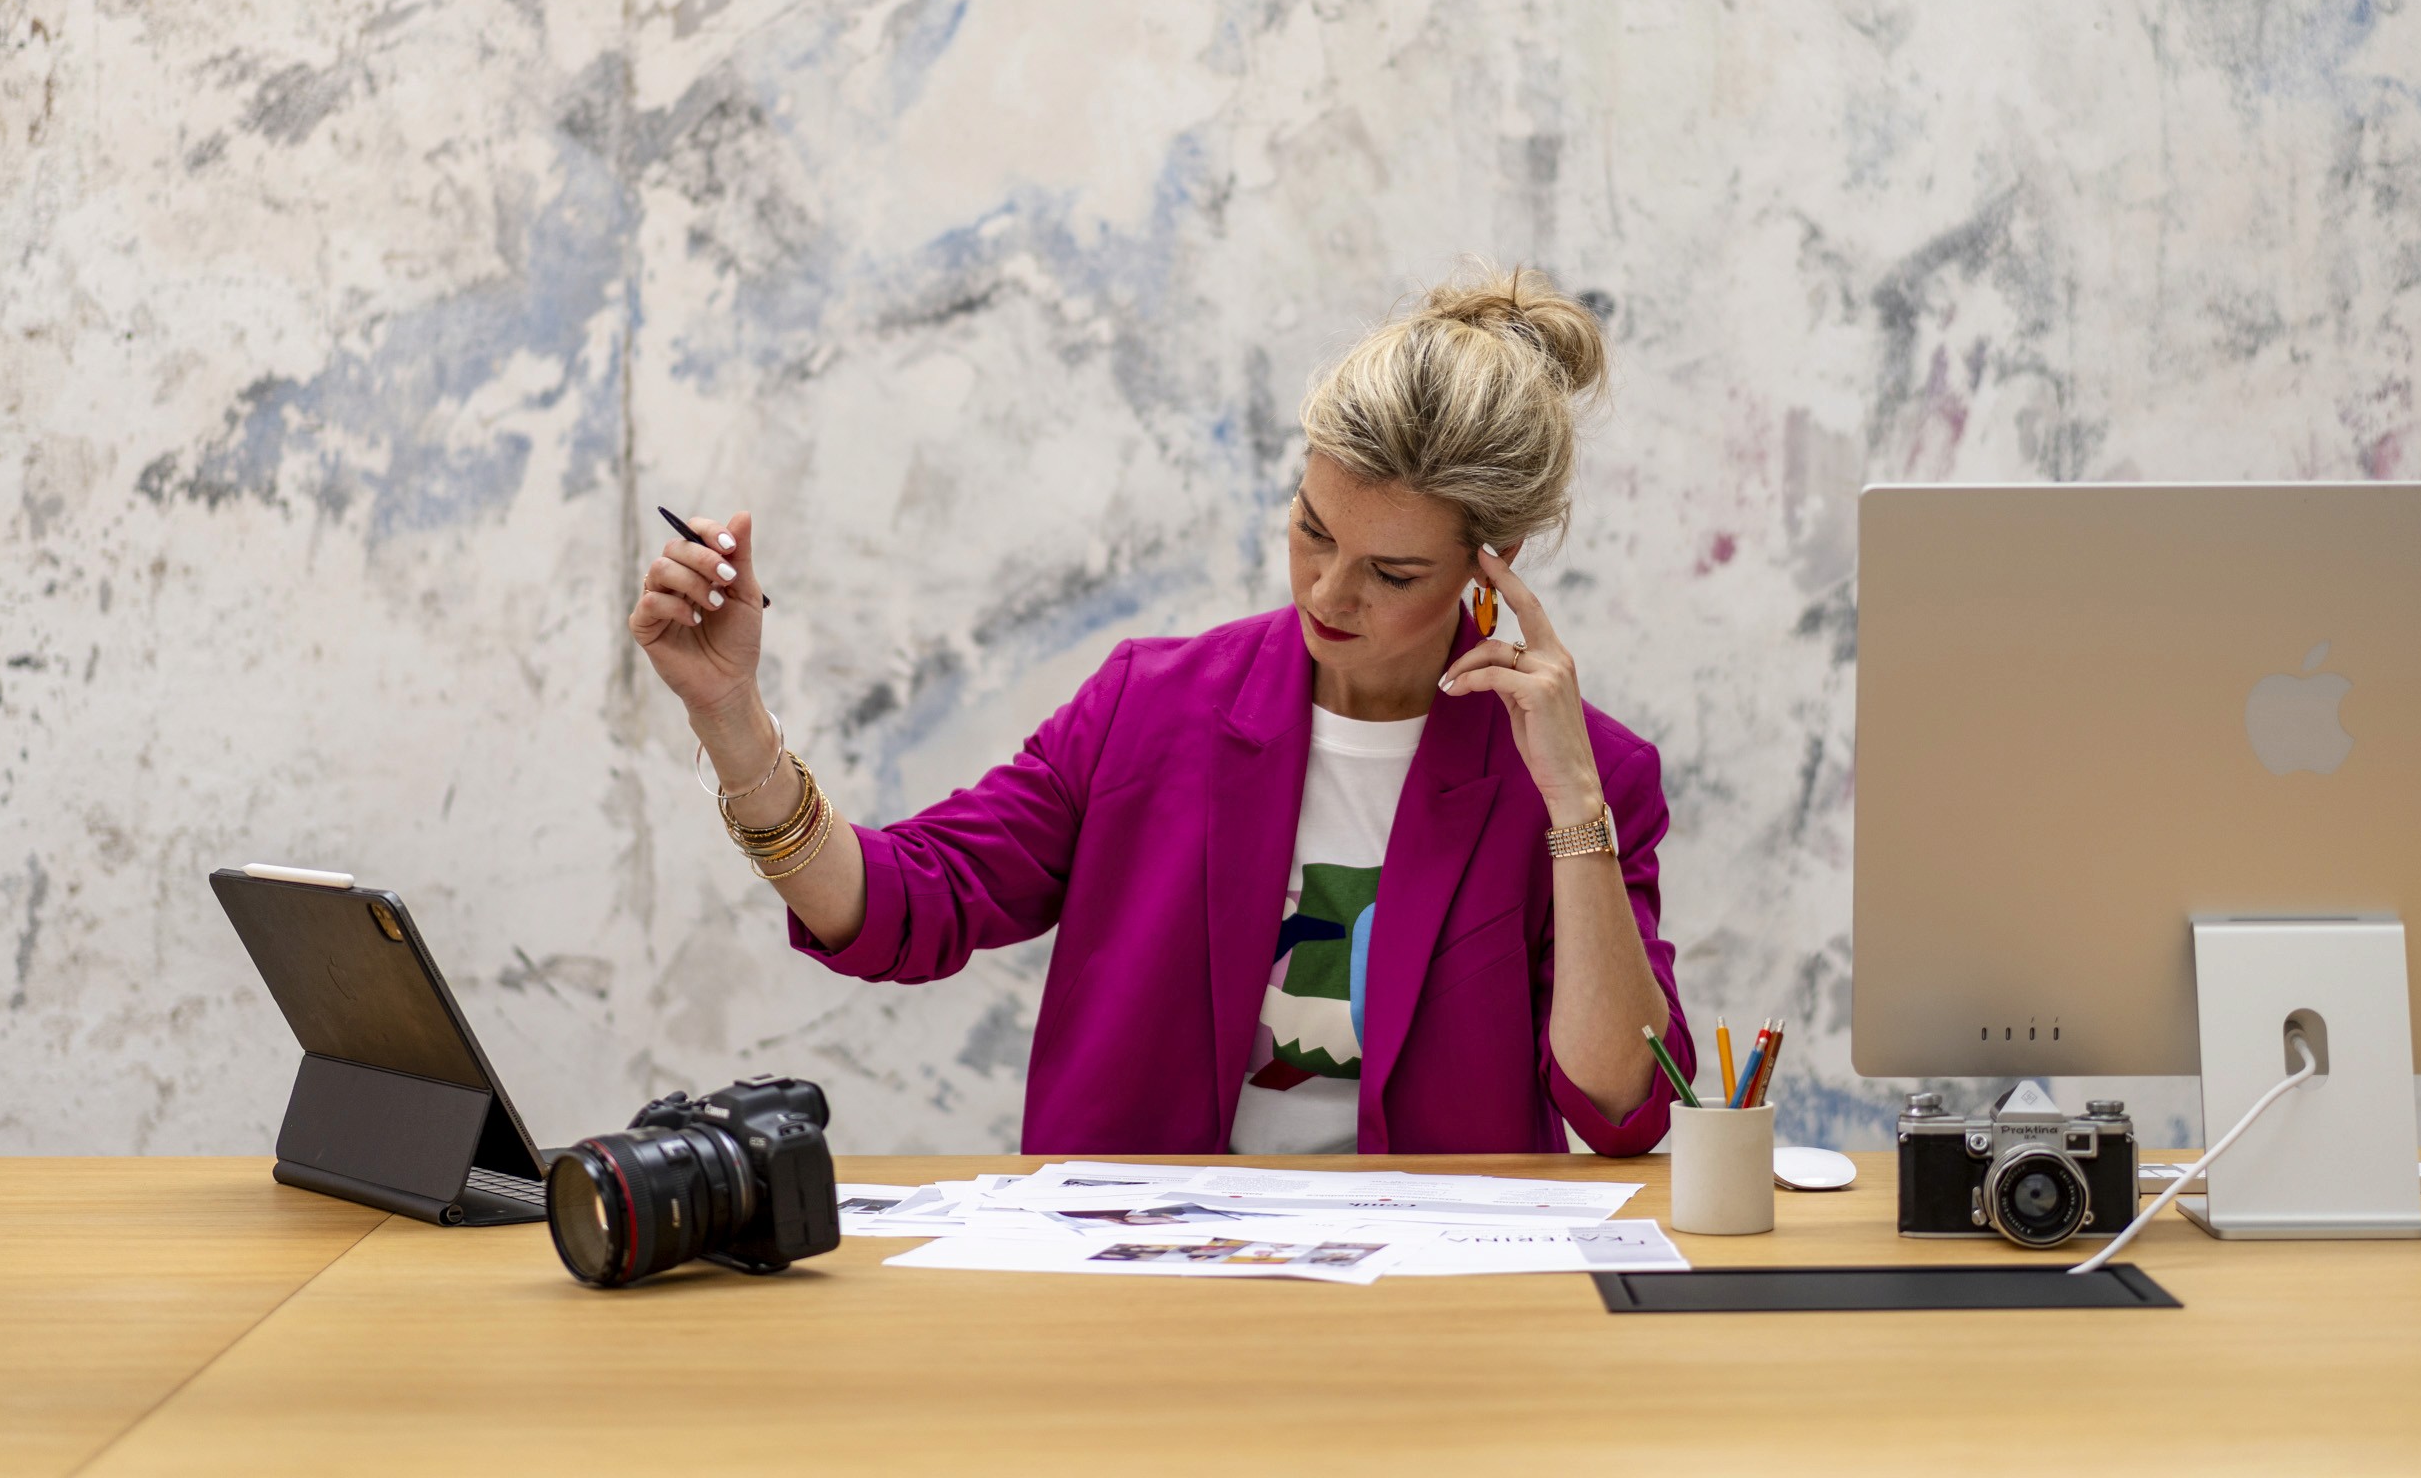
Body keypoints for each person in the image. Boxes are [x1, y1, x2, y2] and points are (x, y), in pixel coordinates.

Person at [628, 267, 1696, 1154]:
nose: (1328, 592)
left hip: (1437, 1316)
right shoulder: (1153, 707)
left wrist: (1570, 803)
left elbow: (1618, 1103)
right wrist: (733, 718)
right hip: (1147, 1291)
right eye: (1313, 529)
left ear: (1489, 566)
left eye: (1393, 570)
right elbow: (908, 903)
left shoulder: (1588, 773)